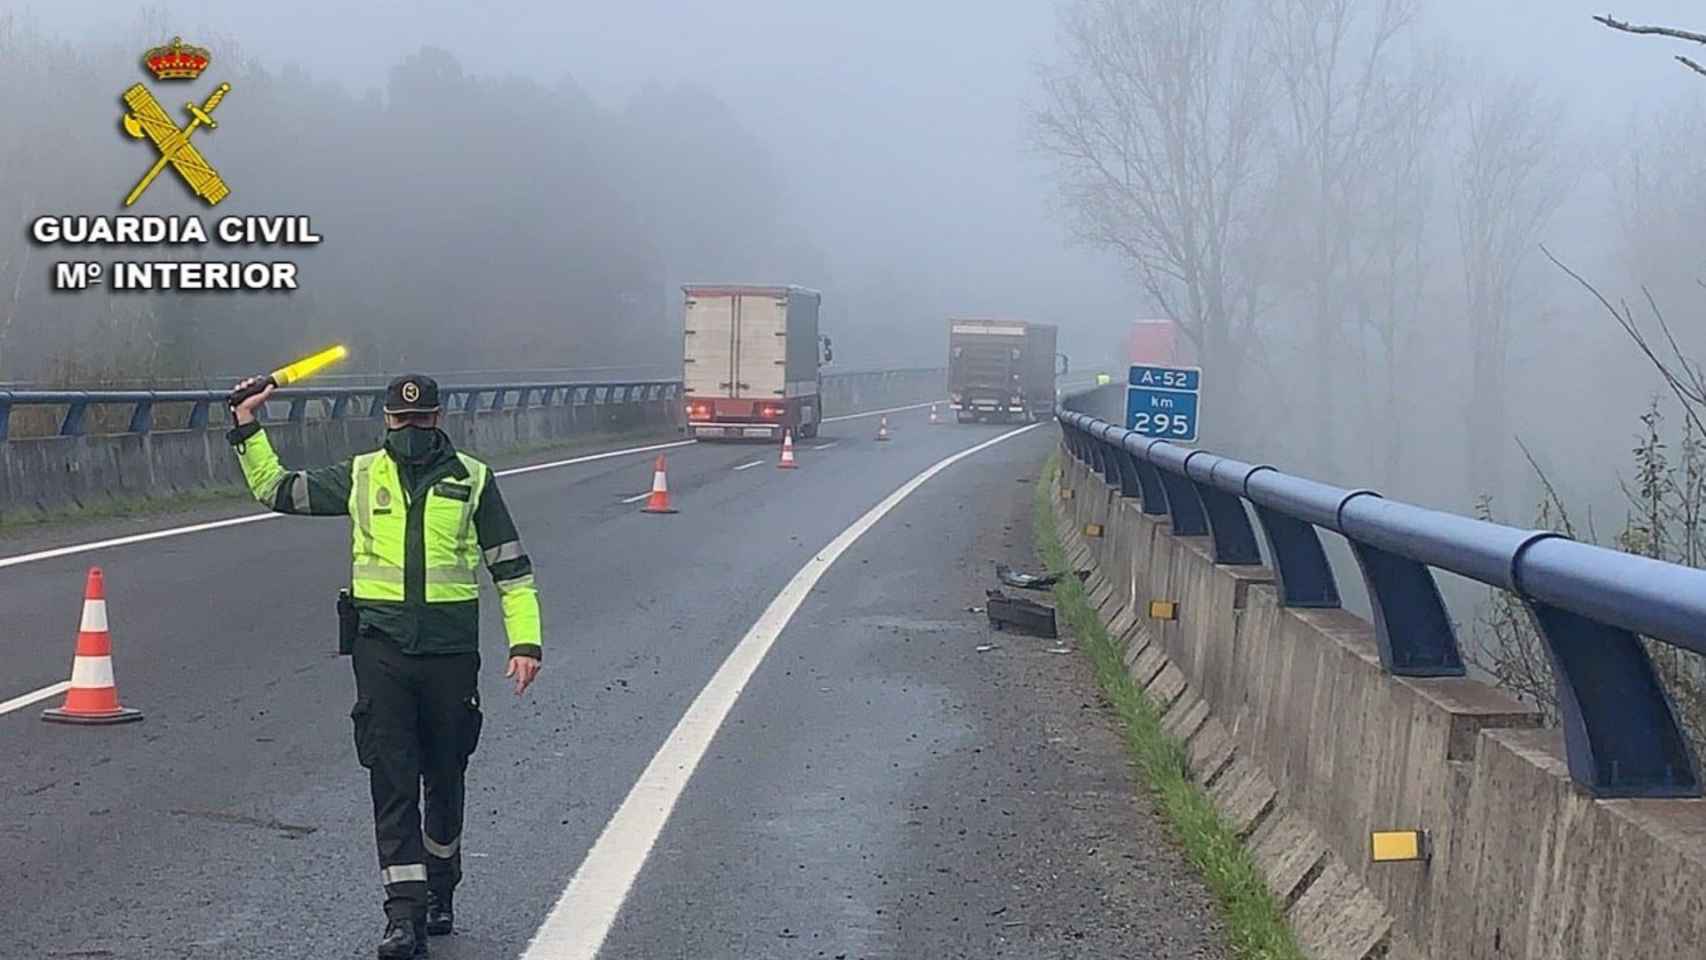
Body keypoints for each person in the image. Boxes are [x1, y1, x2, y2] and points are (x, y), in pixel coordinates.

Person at [228, 374, 542, 958]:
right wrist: (247, 426)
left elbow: (511, 570)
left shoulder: (472, 479)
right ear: (388, 421)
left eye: (422, 421)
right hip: (383, 652)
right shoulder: (362, 473)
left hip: (450, 656)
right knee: (392, 780)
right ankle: (404, 918)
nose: (412, 430)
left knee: (444, 777)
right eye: (403, 420)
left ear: (439, 419)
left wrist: (525, 644)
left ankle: (441, 887)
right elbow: (276, 490)